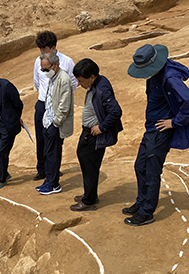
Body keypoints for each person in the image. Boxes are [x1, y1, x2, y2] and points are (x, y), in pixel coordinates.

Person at [125, 44, 189, 226]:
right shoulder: (155, 75)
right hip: (150, 129)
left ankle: (146, 212)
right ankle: (141, 201)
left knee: (151, 172)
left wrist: (174, 122)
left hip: (159, 133)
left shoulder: (170, 78)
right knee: (140, 166)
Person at [71, 58, 123, 211]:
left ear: (92, 77)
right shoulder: (98, 82)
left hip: (93, 134)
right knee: (86, 160)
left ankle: (89, 200)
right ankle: (90, 194)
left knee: (90, 165)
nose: (80, 84)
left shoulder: (102, 90)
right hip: (89, 132)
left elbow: (116, 112)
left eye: (81, 81)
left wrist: (102, 127)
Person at [32, 31, 78, 181]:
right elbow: (37, 82)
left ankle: (54, 170)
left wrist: (60, 98)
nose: (41, 52)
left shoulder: (67, 62)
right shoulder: (38, 61)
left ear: (53, 48)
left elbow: (73, 82)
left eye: (44, 49)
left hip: (57, 106)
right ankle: (42, 169)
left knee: (56, 140)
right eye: (40, 49)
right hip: (42, 104)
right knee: (41, 138)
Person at [36, 53, 74, 195]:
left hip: (55, 124)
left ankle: (54, 184)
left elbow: (64, 106)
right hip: (47, 121)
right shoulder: (53, 78)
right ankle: (49, 180)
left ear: (55, 65)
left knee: (53, 155)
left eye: (46, 69)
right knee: (48, 153)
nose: (45, 72)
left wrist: (55, 123)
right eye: (42, 70)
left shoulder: (64, 79)